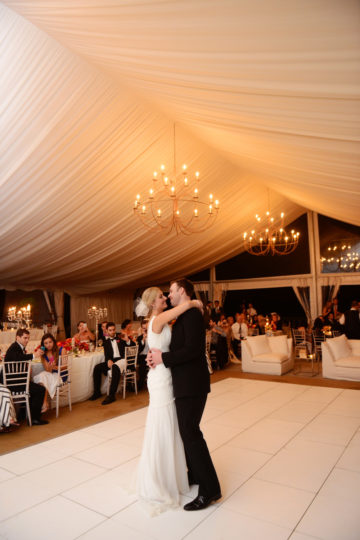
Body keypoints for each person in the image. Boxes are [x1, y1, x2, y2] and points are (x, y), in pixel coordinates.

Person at [148, 278, 221, 512]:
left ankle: (210, 490)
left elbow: (192, 351)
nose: (168, 296)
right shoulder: (184, 315)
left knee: (190, 433)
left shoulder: (191, 316)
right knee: (186, 432)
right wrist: (156, 355)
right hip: (184, 383)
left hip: (191, 384)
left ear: (182, 291)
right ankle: (196, 474)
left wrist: (162, 358)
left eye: (170, 291)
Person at [134, 286, 203, 516]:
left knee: (171, 423)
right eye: (162, 296)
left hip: (166, 372)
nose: (165, 298)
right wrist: (194, 303)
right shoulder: (158, 318)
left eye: (166, 294)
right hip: (161, 378)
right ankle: (160, 479)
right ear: (154, 302)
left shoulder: (160, 321)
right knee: (162, 423)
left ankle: (174, 474)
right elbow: (182, 307)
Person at [3, 329, 49, 425]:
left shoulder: (18, 348)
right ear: (17, 337)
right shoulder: (14, 347)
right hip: (14, 384)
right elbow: (17, 358)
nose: (27, 340)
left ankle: (27, 415)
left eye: (28, 338)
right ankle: (34, 419)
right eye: (25, 338)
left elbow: (19, 359)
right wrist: (33, 355)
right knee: (40, 389)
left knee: (37, 387)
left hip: (17, 382)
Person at [89, 322, 132, 405]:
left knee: (115, 367)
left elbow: (132, 346)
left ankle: (111, 395)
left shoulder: (120, 337)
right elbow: (107, 354)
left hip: (122, 360)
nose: (112, 332)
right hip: (113, 361)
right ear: (107, 331)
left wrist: (127, 340)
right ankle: (97, 392)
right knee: (97, 368)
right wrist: (108, 360)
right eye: (110, 330)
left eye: (113, 330)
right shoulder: (106, 342)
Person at [33, 333, 66, 413]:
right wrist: (50, 365)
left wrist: (55, 367)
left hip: (61, 375)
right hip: (51, 374)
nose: (48, 345)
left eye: (50, 342)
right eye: (46, 343)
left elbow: (65, 366)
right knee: (42, 376)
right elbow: (48, 371)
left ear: (53, 341)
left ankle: (44, 403)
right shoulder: (44, 354)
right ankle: (45, 402)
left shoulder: (62, 350)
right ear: (43, 345)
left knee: (43, 376)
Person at [136, 319, 149, 391]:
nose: (146, 329)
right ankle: (140, 385)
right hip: (142, 356)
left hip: (151, 355)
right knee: (142, 368)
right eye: (144, 328)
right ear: (142, 328)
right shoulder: (139, 338)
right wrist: (143, 340)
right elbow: (139, 350)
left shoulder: (153, 335)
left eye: (147, 327)